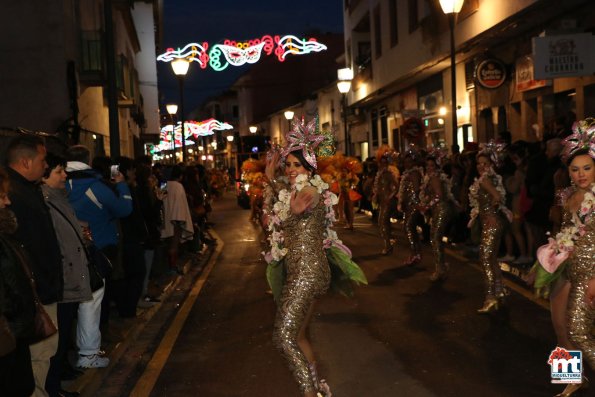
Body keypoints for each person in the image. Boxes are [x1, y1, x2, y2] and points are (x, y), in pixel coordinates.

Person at [264, 117, 365, 397]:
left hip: (307, 274)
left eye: (298, 165)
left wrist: (292, 204)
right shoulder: (294, 190)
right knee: (297, 336)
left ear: (309, 167)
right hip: (306, 272)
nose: (292, 169)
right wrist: (272, 177)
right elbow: (286, 205)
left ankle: (309, 393)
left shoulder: (311, 191)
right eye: (289, 164)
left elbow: (297, 209)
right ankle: (317, 389)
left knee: (282, 337)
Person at [536, 118, 595, 397]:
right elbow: (563, 234)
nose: (581, 174)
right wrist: (546, 263)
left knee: (580, 330)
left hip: (590, 273)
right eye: (575, 169)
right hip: (566, 267)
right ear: (568, 172)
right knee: (560, 326)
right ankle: (572, 378)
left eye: (587, 168)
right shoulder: (567, 195)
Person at [6, 134, 63, 397]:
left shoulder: (27, 190)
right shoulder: (16, 194)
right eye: (43, 160)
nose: (47, 166)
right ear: (26, 162)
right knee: (38, 358)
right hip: (35, 294)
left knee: (43, 356)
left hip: (39, 290)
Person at [65, 145, 132, 360]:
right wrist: (121, 185)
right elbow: (124, 209)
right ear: (88, 159)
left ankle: (76, 351)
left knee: (72, 305)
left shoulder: (61, 184)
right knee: (92, 301)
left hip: (67, 249)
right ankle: (88, 353)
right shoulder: (94, 185)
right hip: (98, 249)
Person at [42, 153, 93, 397]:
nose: (64, 176)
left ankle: (60, 379)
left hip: (70, 278)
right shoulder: (45, 202)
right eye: (59, 171)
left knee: (64, 336)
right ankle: (53, 388)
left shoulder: (59, 199)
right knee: (56, 341)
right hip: (63, 281)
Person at [0, 166, 37, 397]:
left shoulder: (4, 234)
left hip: (13, 331)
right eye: (2, 196)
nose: (7, 202)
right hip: (7, 333)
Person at [467, 141, 512, 314]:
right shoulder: (490, 177)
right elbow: (497, 197)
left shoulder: (486, 179)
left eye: (485, 163)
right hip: (492, 222)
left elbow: (497, 197)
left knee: (485, 259)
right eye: (479, 163)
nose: (481, 166)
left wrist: (491, 211)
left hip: (492, 223)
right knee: (491, 259)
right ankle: (499, 290)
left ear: (492, 164)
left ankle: (490, 297)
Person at [419, 150, 456, 282]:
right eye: (427, 166)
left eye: (432, 166)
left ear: (437, 167)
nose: (429, 168)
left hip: (441, 209)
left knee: (435, 239)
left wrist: (426, 206)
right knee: (435, 239)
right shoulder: (433, 177)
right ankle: (441, 266)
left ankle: (440, 269)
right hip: (439, 209)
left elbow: (438, 195)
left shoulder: (434, 178)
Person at [161, 165, 194, 274]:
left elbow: (160, 201)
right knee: (174, 245)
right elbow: (179, 205)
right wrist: (179, 221)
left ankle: (167, 266)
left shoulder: (163, 185)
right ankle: (172, 267)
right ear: (180, 176)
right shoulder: (178, 186)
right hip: (176, 220)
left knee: (167, 243)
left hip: (164, 219)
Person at [397, 148, 423, 266]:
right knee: (410, 229)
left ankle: (413, 254)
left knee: (408, 228)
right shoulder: (408, 173)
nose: (407, 164)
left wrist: (414, 203)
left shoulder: (413, 173)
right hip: (408, 204)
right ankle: (416, 253)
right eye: (405, 162)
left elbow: (417, 190)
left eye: (409, 162)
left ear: (413, 163)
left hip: (413, 205)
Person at [372, 146, 400, 255]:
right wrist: (375, 195)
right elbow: (377, 188)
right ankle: (388, 243)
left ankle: (388, 245)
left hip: (387, 202)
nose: (382, 165)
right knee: (382, 223)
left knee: (383, 222)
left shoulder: (388, 173)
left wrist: (390, 197)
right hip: (381, 202)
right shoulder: (379, 173)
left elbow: (396, 186)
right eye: (381, 162)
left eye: (384, 163)